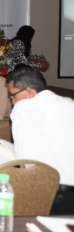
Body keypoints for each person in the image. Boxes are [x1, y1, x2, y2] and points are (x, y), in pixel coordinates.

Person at [5, 66, 74, 214]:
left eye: (12, 96)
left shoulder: (22, 109)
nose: (12, 102)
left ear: (29, 92)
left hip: (49, 194)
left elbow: (24, 161)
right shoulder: (69, 103)